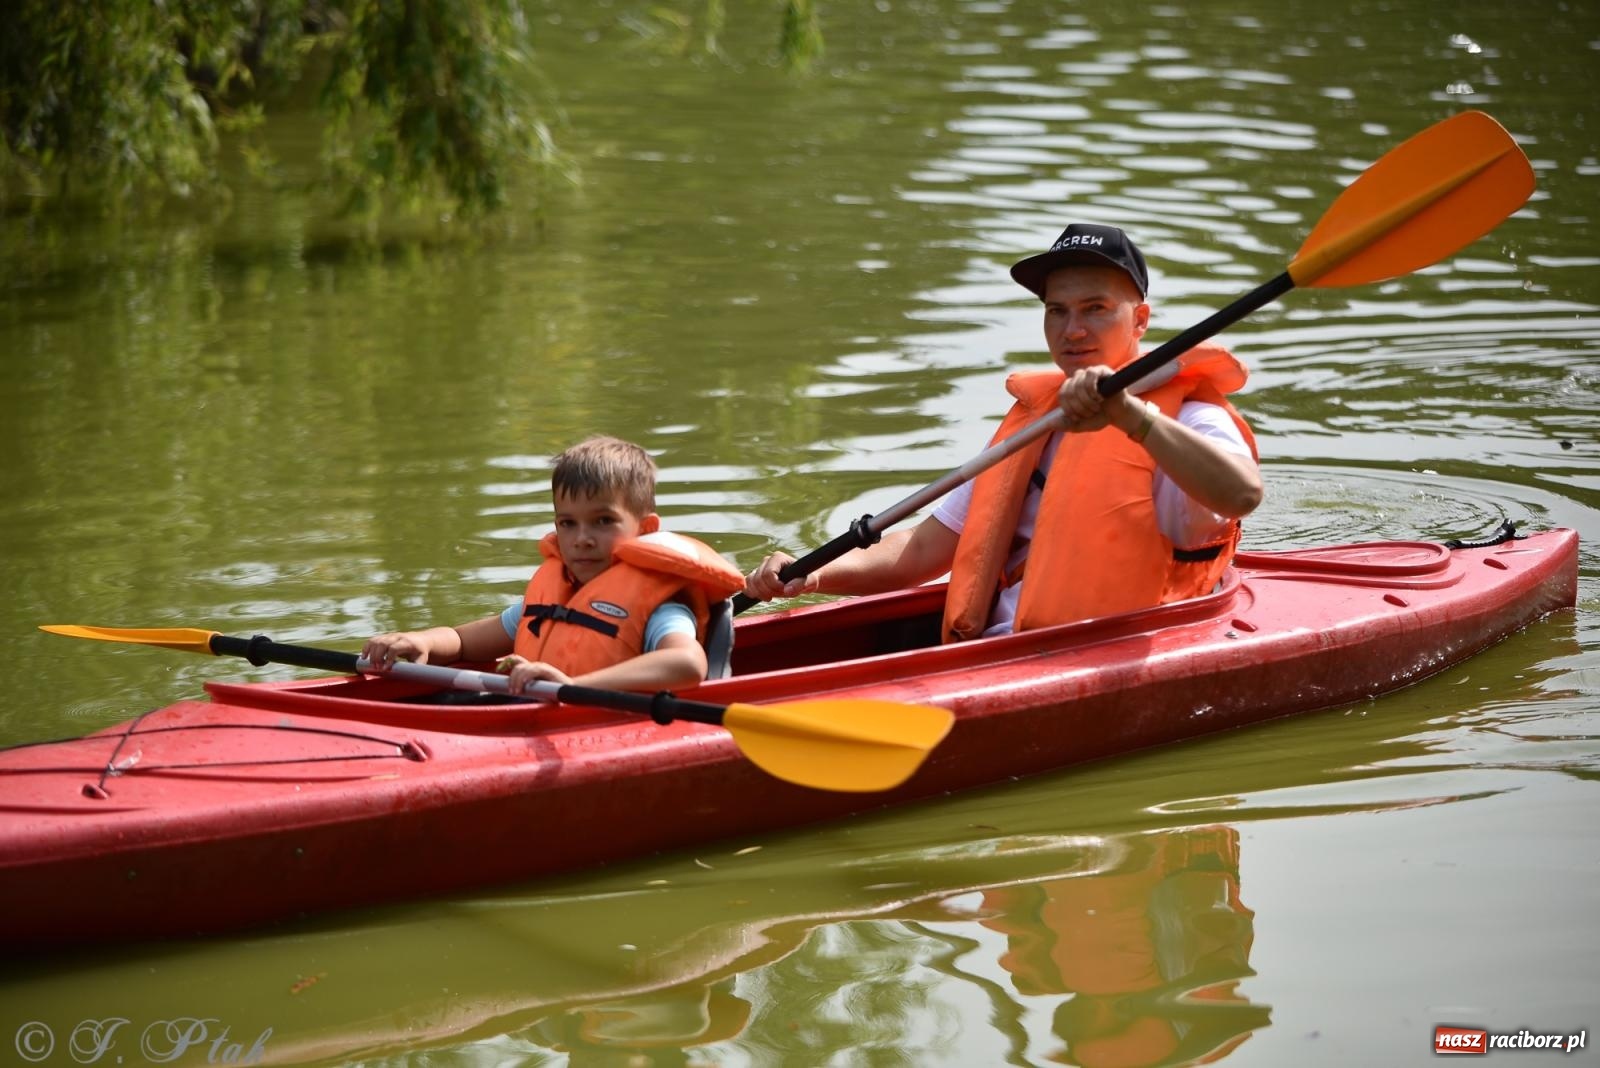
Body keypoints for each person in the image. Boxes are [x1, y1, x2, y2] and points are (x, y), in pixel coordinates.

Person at [743, 223, 1263, 640]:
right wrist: (813, 575)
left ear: (1140, 320)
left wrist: (1132, 416)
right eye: (1056, 311)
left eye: (1095, 309)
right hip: (996, 648)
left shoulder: (1190, 416)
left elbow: (1241, 493)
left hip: (1107, 652)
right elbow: (924, 551)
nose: (1072, 330)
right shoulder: (1037, 419)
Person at [364, 436, 744, 693]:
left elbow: (687, 662)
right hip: (533, 717)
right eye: (568, 523)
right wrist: (423, 640)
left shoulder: (662, 606)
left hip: (601, 724)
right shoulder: (554, 590)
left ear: (646, 529)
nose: (582, 538)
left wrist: (573, 686)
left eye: (603, 521)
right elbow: (465, 640)